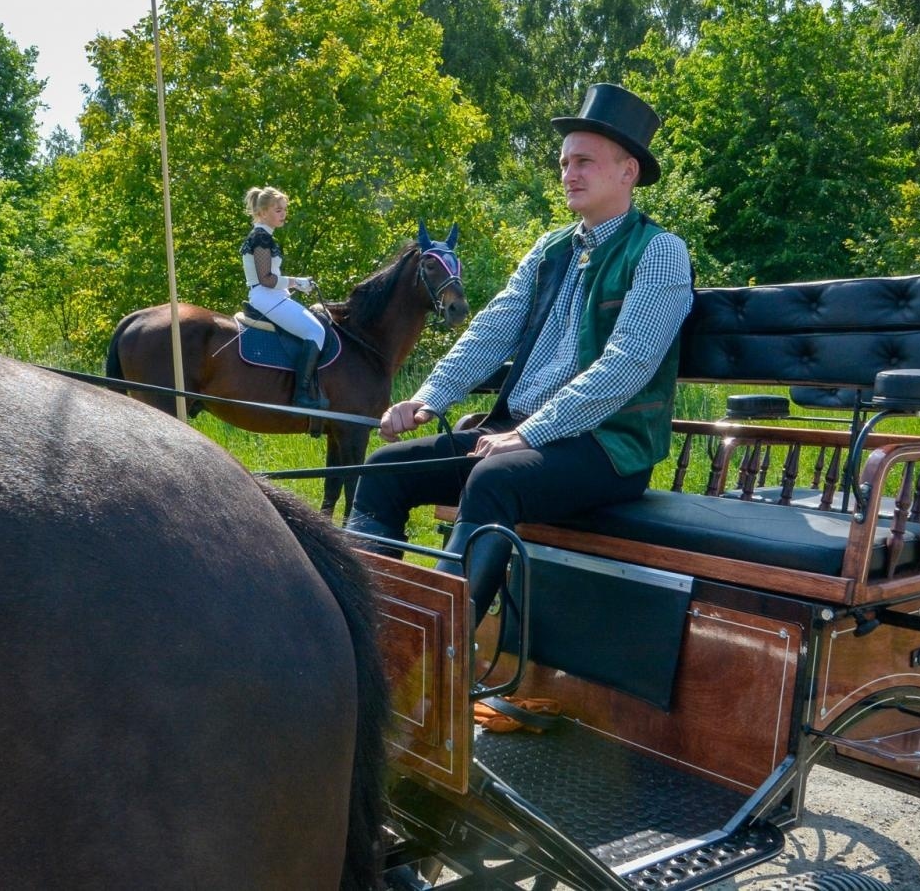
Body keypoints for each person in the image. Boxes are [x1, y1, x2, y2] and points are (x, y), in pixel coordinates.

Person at [344, 84, 693, 620]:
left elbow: (628, 364)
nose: (568, 174)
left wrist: (528, 433)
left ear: (628, 171)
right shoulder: (549, 250)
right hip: (521, 435)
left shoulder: (659, 252)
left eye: (584, 162)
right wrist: (429, 398)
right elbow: (491, 330)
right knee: (383, 469)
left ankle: (440, 641)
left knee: (492, 479)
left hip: (608, 447)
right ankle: (368, 625)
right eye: (564, 163)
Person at [240, 186, 328, 409]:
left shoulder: (264, 236)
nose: (283, 214)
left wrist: (294, 284)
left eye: (284, 210)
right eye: (278, 210)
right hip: (265, 296)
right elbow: (266, 279)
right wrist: (296, 282)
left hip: (272, 295)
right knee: (316, 331)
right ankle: (301, 395)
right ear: (262, 212)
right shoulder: (261, 238)